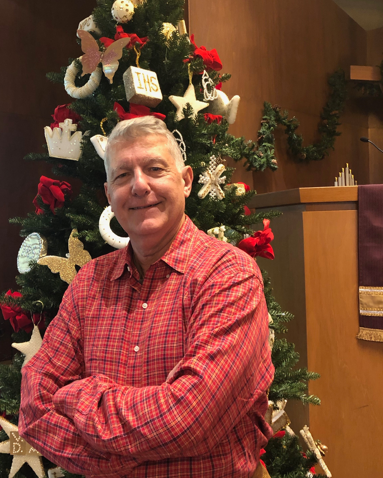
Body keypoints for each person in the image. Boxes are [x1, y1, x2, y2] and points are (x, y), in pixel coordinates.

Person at [19, 116, 274, 478]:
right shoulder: (89, 282)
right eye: (122, 175)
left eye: (155, 169)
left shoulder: (229, 275)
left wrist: (79, 397)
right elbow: (35, 408)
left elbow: (188, 418)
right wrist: (127, 461)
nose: (139, 185)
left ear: (186, 181)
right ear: (109, 195)